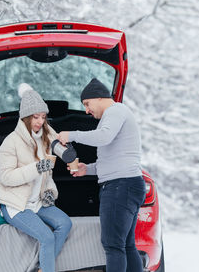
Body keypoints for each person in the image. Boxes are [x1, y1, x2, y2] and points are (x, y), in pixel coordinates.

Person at [57, 78, 146, 272]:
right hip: (125, 185)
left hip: (120, 187)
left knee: (113, 245)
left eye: (87, 104)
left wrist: (71, 135)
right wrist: (86, 169)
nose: (87, 111)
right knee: (125, 245)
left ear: (98, 97)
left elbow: (103, 137)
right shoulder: (115, 115)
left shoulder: (116, 111)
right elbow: (111, 160)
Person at [0, 83, 74, 272]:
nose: (39, 121)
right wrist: (37, 168)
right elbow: (6, 177)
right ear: (25, 117)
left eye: (43, 117)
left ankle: (41, 268)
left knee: (65, 223)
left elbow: (62, 148)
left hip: (38, 201)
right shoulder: (10, 142)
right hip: (16, 204)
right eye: (35, 117)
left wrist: (70, 154)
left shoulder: (46, 135)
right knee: (46, 237)